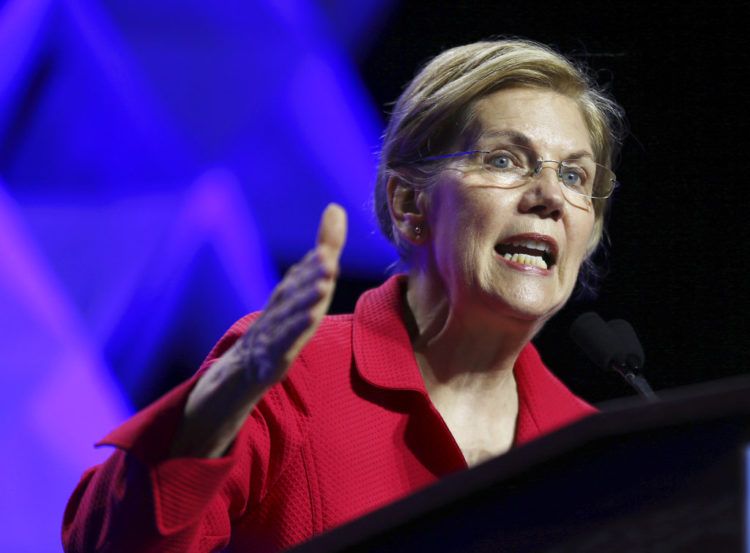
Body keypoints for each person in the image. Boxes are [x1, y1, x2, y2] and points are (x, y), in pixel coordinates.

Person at [62, 38, 625, 552]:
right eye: (504, 160)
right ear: (409, 205)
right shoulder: (295, 375)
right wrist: (213, 412)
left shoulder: (588, 448)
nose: (550, 195)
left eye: (576, 177)